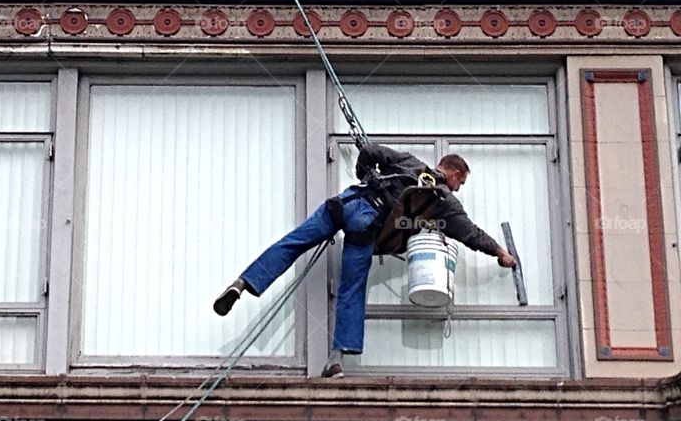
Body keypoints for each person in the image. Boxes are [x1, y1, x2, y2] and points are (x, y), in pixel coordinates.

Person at [212, 143, 518, 378]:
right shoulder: (442, 199)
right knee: (351, 291)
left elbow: (370, 150)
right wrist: (500, 253)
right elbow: (470, 233)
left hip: (344, 204)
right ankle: (336, 360)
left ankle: (242, 283)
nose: (457, 188)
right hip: (365, 228)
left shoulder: (409, 161)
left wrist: (364, 175)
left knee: (292, 243)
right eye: (459, 182)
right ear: (453, 173)